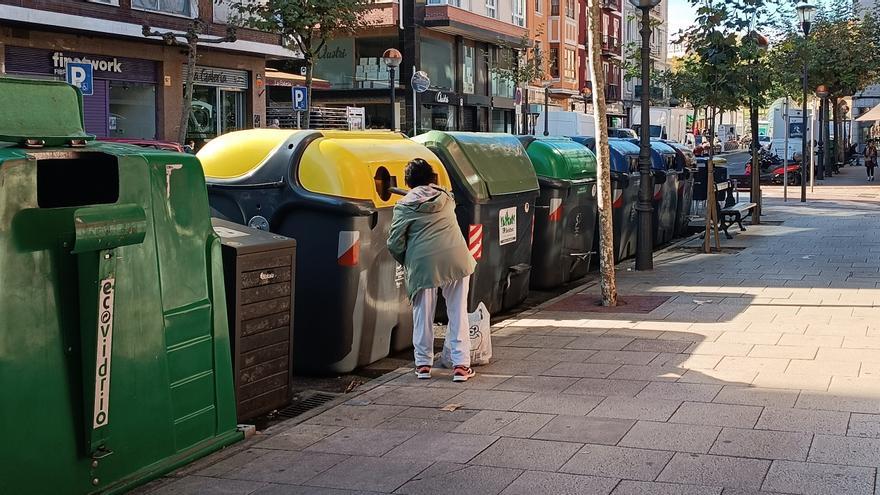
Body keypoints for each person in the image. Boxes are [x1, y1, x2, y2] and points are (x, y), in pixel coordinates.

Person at [387, 158, 477, 382]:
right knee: (458, 312)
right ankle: (461, 366)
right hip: (456, 257)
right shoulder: (446, 197)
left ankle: (423, 365)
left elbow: (394, 243)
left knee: (423, 315)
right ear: (431, 178)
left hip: (424, 263)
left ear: (408, 182)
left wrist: (408, 260)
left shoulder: (404, 206)